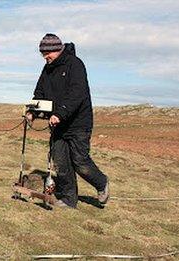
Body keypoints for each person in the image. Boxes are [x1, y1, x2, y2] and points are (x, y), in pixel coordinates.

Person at [26, 33, 109, 208]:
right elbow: (39, 92)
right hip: (58, 125)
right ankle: (69, 199)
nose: (45, 57)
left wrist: (60, 113)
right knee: (61, 162)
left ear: (58, 49)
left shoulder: (75, 65)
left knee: (80, 162)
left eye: (47, 54)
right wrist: (32, 111)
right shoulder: (47, 68)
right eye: (42, 54)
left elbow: (76, 93)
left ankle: (101, 183)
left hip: (78, 123)